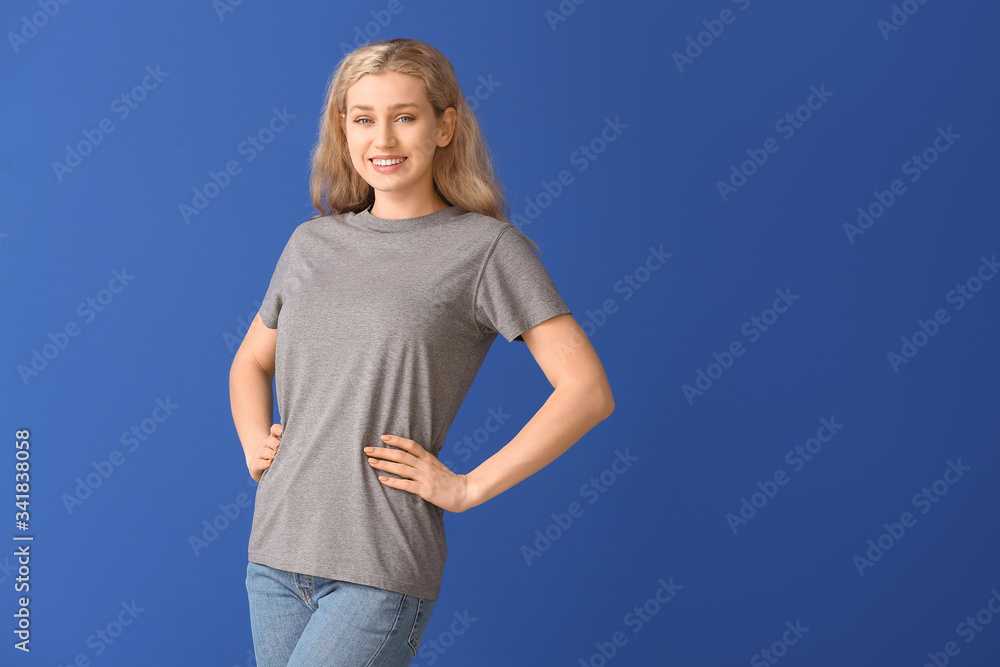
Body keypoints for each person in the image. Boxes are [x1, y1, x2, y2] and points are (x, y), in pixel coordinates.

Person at [229, 37, 614, 666]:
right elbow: (249, 362)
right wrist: (255, 442)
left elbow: (587, 391)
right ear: (344, 131)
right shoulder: (310, 244)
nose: (383, 139)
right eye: (364, 119)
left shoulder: (486, 249)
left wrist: (467, 487)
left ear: (445, 126)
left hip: (379, 562)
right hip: (274, 555)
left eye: (405, 117)